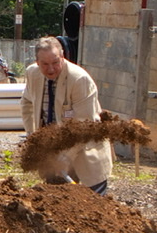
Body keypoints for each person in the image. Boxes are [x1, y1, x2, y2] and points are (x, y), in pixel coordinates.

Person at [21, 36, 114, 194]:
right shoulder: (33, 74)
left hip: (86, 151)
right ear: (37, 62)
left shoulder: (79, 80)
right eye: (45, 64)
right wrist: (33, 136)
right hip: (53, 154)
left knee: (93, 208)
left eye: (55, 62)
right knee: (57, 205)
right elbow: (27, 103)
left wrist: (65, 157)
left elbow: (85, 126)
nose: (51, 69)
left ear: (62, 56)